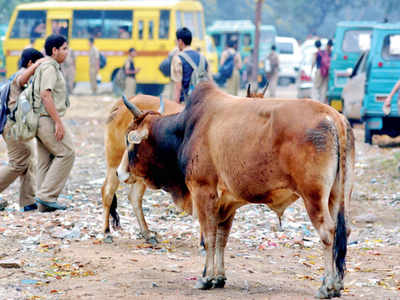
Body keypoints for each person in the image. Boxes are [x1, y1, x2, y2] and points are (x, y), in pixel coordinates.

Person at [33, 34, 75, 212]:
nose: (67, 52)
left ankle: (43, 204)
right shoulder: (50, 67)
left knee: (45, 160)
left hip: (38, 119)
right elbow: (45, 94)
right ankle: (46, 196)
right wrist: (58, 122)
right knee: (67, 153)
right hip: (47, 119)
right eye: (64, 48)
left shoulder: (46, 66)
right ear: (54, 50)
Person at [0, 48, 45, 212]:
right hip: (13, 127)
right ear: (30, 63)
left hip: (19, 127)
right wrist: (38, 64)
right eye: (37, 65)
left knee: (29, 160)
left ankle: (28, 201)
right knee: (18, 163)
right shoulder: (20, 75)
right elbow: (21, 80)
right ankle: (28, 200)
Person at [170, 27, 209, 103]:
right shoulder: (203, 58)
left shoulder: (178, 58)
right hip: (201, 104)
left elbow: (178, 87)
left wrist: (175, 106)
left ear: (180, 41)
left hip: (186, 106)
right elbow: (208, 81)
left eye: (176, 41)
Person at [312, 39, 333, 104]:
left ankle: (315, 101)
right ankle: (322, 102)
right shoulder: (328, 52)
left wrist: (311, 70)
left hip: (319, 71)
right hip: (326, 71)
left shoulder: (317, 53)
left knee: (316, 86)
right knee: (324, 88)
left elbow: (313, 62)